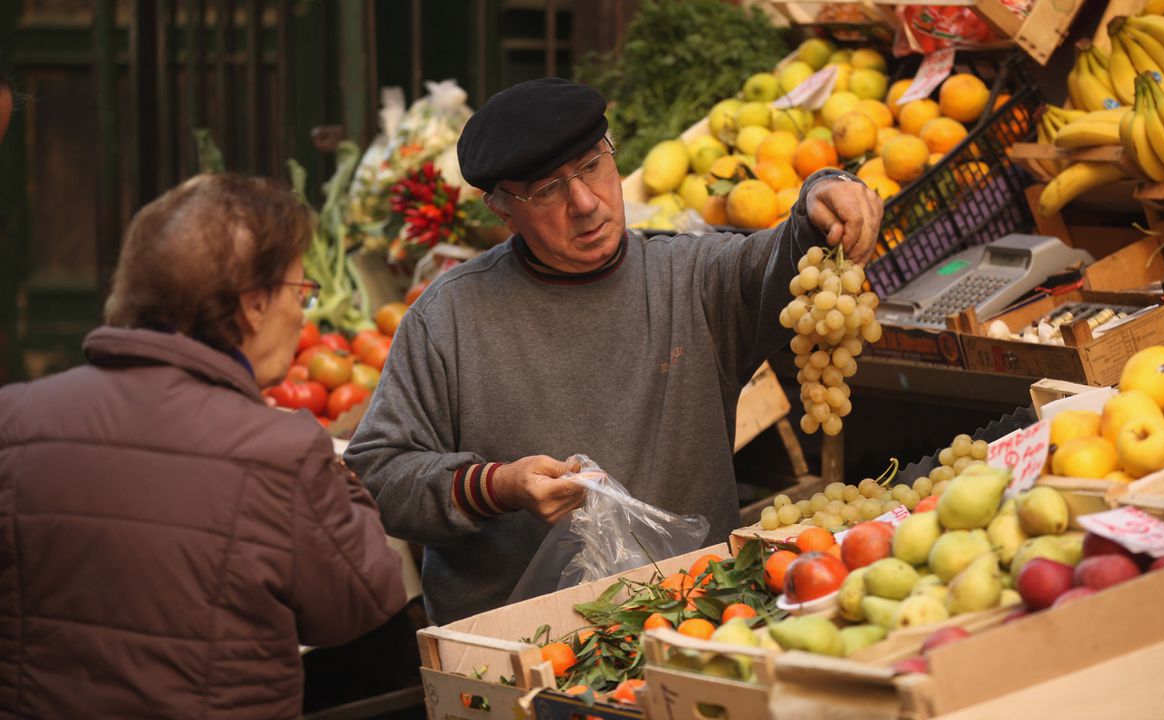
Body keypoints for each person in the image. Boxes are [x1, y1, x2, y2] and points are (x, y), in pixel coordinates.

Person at [345, 77, 883, 625]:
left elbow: (784, 253)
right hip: (518, 648)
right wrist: (495, 486)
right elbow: (376, 473)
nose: (584, 202)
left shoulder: (692, 279)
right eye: (547, 190)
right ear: (503, 210)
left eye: (592, 166)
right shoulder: (449, 316)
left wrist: (825, 189)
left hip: (694, 624)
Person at [0, 174, 406, 718]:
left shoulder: (13, 417)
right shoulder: (280, 451)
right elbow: (363, 601)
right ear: (254, 305)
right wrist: (325, 459)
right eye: (300, 291)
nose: (301, 312)